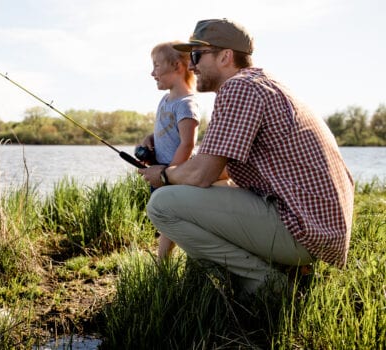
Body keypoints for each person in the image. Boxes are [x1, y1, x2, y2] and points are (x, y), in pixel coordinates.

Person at [138, 18, 354, 297]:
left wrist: (164, 175)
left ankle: (267, 286)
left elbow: (201, 173)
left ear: (225, 56)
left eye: (197, 56)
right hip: (320, 230)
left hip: (304, 232)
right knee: (201, 189)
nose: (191, 66)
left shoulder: (240, 88)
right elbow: (218, 169)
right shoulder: (262, 84)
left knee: (162, 204)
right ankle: (285, 269)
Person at [137, 41, 200, 259]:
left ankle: (163, 264)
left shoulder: (186, 104)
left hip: (173, 175)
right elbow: (167, 131)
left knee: (170, 221)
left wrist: (169, 173)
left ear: (177, 66)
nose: (152, 72)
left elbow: (187, 143)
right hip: (160, 172)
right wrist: (150, 138)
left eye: (156, 66)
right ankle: (162, 263)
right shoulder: (166, 99)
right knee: (165, 221)